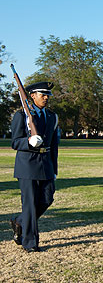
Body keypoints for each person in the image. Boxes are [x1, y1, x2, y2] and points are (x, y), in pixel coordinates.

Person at [9, 81, 59, 252]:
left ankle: (20, 222)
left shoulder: (52, 116)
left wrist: (54, 170)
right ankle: (29, 242)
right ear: (32, 95)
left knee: (47, 198)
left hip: (46, 164)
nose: (46, 98)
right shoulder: (21, 115)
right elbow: (15, 142)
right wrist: (29, 142)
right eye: (42, 94)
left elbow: (54, 144)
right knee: (30, 204)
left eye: (47, 95)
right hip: (27, 165)